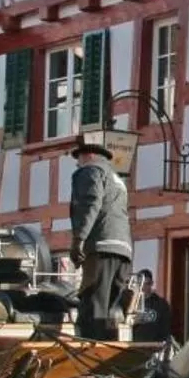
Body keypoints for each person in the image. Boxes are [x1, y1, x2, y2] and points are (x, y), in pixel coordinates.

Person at [66, 137, 133, 338]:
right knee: (109, 313)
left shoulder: (90, 171)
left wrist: (79, 239)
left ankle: (89, 360)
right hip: (123, 251)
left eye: (79, 159)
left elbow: (89, 203)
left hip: (101, 246)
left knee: (92, 307)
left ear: (90, 156)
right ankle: (109, 360)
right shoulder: (118, 180)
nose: (78, 163)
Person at [129, 269, 176, 343]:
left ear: (151, 284)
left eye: (146, 284)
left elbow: (166, 329)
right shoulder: (131, 303)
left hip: (154, 347)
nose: (143, 287)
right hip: (133, 347)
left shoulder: (161, 304)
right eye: (141, 284)